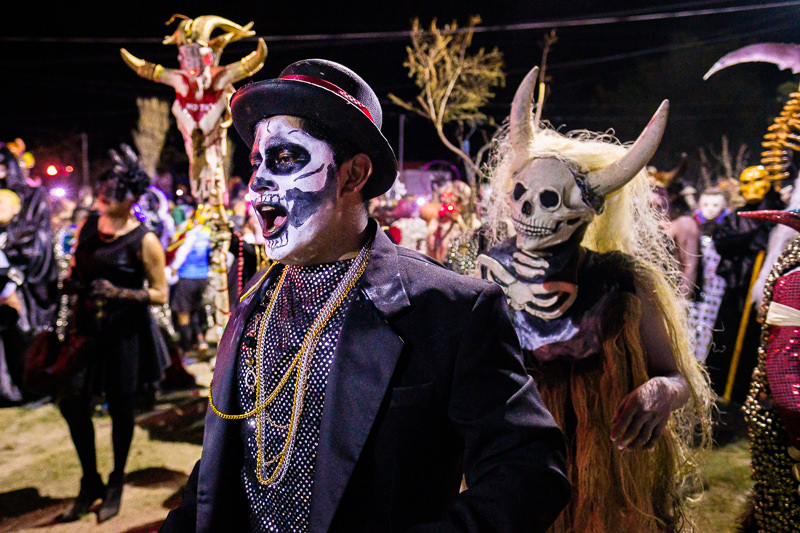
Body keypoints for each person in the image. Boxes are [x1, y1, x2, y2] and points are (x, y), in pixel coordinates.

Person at [160, 58, 569, 533]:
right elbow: (226, 455)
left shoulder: (450, 310)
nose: (256, 183)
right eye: (255, 162)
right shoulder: (254, 298)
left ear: (353, 176)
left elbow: (532, 471)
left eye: (285, 158)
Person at [478, 66, 712, 532]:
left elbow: (676, 375)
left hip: (600, 484)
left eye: (549, 200)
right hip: (503, 471)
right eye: (520, 195)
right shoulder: (480, 271)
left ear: (586, 212)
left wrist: (662, 391)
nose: (528, 214)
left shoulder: (621, 284)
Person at [58, 145, 170, 523]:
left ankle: (117, 480)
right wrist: (72, 282)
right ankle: (90, 480)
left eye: (115, 190)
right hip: (87, 330)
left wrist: (122, 292)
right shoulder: (88, 226)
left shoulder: (145, 239)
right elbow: (76, 265)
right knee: (72, 403)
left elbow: (160, 293)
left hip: (126, 335)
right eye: (104, 187)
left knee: (122, 411)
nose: (105, 194)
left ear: (134, 198)